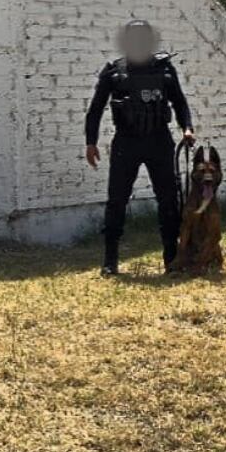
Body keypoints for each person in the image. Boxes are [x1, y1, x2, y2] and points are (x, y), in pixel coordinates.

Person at [85, 20, 195, 276]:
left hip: (159, 141)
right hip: (127, 142)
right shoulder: (114, 72)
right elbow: (95, 110)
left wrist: (187, 128)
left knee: (169, 200)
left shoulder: (164, 69)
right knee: (116, 201)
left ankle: (171, 258)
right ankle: (110, 261)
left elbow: (180, 102)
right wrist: (91, 142)